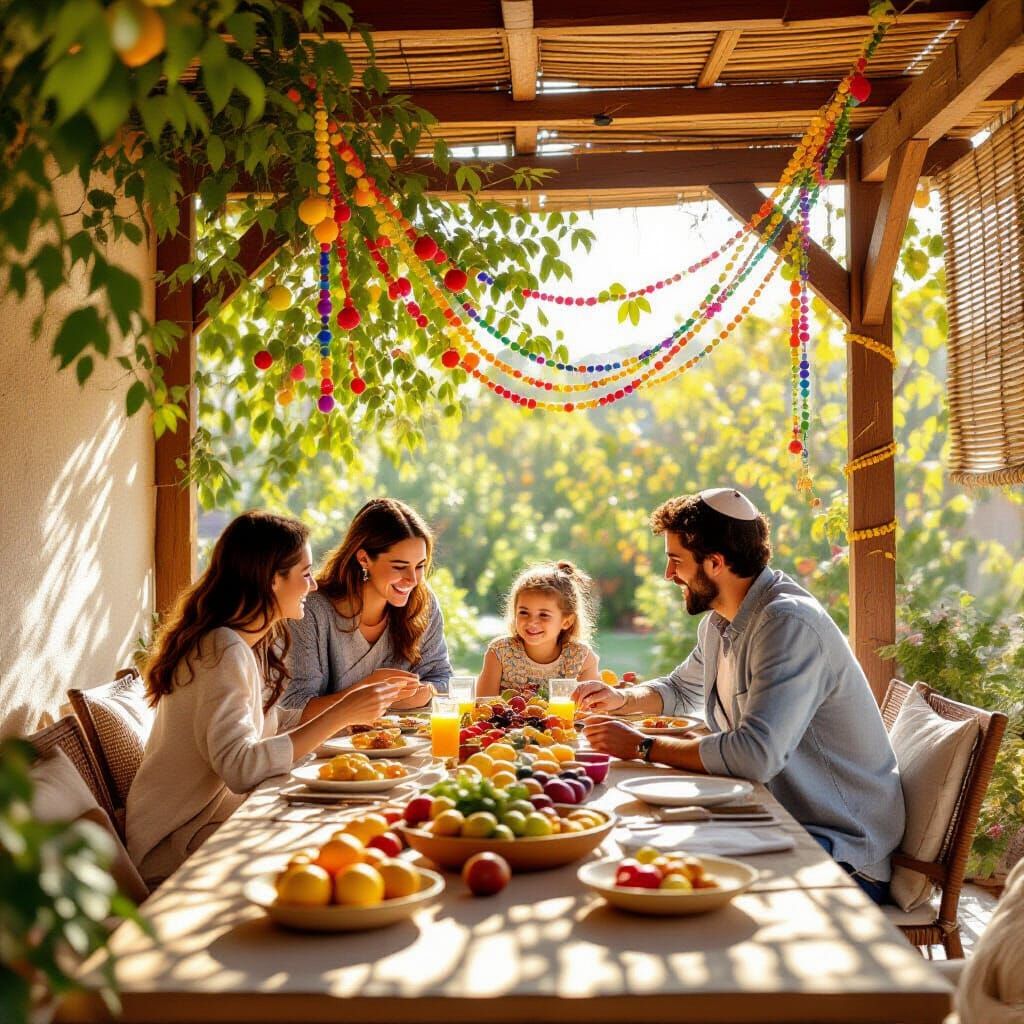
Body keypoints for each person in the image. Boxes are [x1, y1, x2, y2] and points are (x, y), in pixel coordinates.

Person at [575, 488, 905, 904]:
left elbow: (755, 754)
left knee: (673, 877)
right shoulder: (721, 622)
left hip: (840, 849)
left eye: (676, 560)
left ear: (715, 562)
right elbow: (680, 688)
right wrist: (620, 700)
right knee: (644, 849)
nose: (668, 574)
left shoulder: (787, 624)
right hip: (773, 819)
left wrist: (643, 747)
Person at [127, 512, 406, 887]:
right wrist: (338, 715)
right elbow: (241, 768)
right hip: (176, 844)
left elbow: (266, 725)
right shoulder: (221, 650)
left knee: (345, 829)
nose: (312, 585)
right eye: (305, 573)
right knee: (337, 848)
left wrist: (350, 716)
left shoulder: (249, 642)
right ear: (274, 579)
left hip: (215, 823)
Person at [282, 498, 451, 718]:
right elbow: (294, 708)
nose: (413, 579)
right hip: (332, 741)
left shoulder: (422, 603)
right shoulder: (310, 611)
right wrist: (369, 690)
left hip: (401, 739)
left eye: (420, 566)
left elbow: (444, 679)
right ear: (364, 559)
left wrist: (427, 691)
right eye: (399, 567)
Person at [476, 560, 600, 700]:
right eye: (524, 612)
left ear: (566, 621)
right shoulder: (500, 653)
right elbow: (483, 706)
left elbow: (589, 710)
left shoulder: (581, 658)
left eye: (544, 615)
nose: (532, 622)